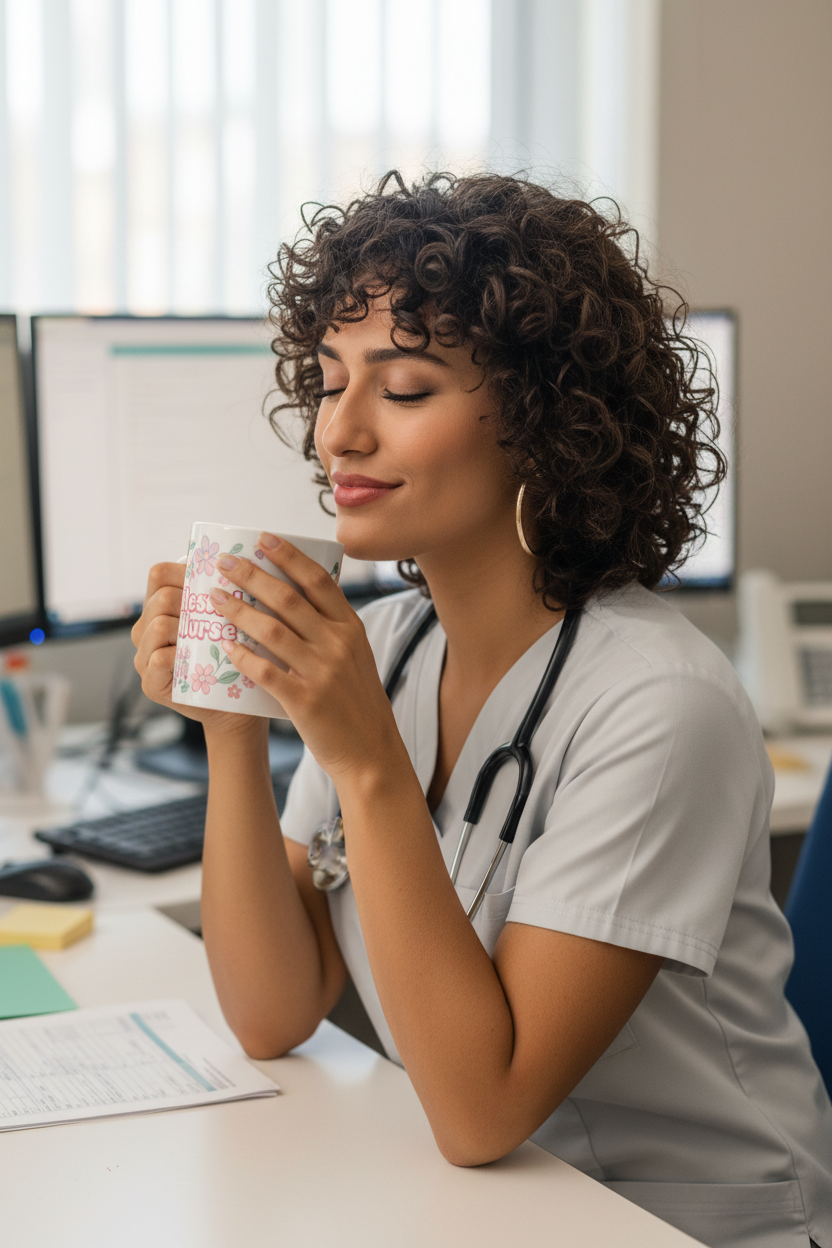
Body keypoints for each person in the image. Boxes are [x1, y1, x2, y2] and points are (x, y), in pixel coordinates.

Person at [132, 171, 832, 1248]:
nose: (339, 435)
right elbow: (272, 1012)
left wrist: (367, 766)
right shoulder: (395, 649)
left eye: (403, 391)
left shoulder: (658, 704)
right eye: (327, 383)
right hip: (493, 1209)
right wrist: (231, 718)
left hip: (683, 1222)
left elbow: (482, 1108)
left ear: (550, 424)